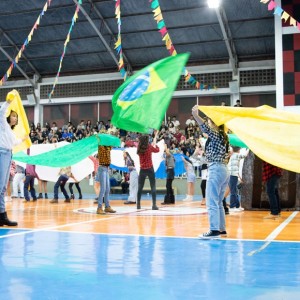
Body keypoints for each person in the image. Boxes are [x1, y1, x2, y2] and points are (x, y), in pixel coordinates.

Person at [192, 105, 230, 239]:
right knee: (219, 201)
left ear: (213, 123)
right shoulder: (224, 136)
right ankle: (221, 229)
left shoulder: (216, 134)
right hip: (224, 169)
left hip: (216, 168)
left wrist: (196, 115)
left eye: (209, 120)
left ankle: (214, 230)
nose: (207, 122)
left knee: (212, 201)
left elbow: (205, 128)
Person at [0, 93, 27, 226]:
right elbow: (1, 113)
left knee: (3, 187)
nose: (15, 118)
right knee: (0, 186)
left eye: (16, 116)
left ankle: (2, 215)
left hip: (8, 154)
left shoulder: (10, 131)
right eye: (13, 115)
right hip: (2, 153)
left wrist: (24, 139)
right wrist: (8, 102)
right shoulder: (3, 124)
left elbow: (14, 142)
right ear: (9, 117)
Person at [136, 131, 160, 210]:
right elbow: (157, 150)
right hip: (150, 168)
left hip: (142, 169)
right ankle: (154, 205)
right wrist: (155, 144)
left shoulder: (139, 148)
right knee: (153, 186)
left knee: (140, 187)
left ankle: (138, 205)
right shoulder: (149, 147)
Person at [95, 142, 116, 214]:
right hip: (102, 168)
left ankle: (107, 207)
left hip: (106, 169)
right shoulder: (101, 146)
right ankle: (99, 207)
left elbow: (111, 146)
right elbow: (108, 147)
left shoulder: (108, 147)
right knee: (103, 189)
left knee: (107, 189)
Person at [227, 147, 249, 211]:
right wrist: (249, 149)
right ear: (239, 150)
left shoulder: (233, 156)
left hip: (232, 175)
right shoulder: (236, 155)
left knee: (235, 190)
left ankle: (237, 206)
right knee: (233, 191)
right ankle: (232, 206)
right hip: (233, 175)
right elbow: (245, 155)